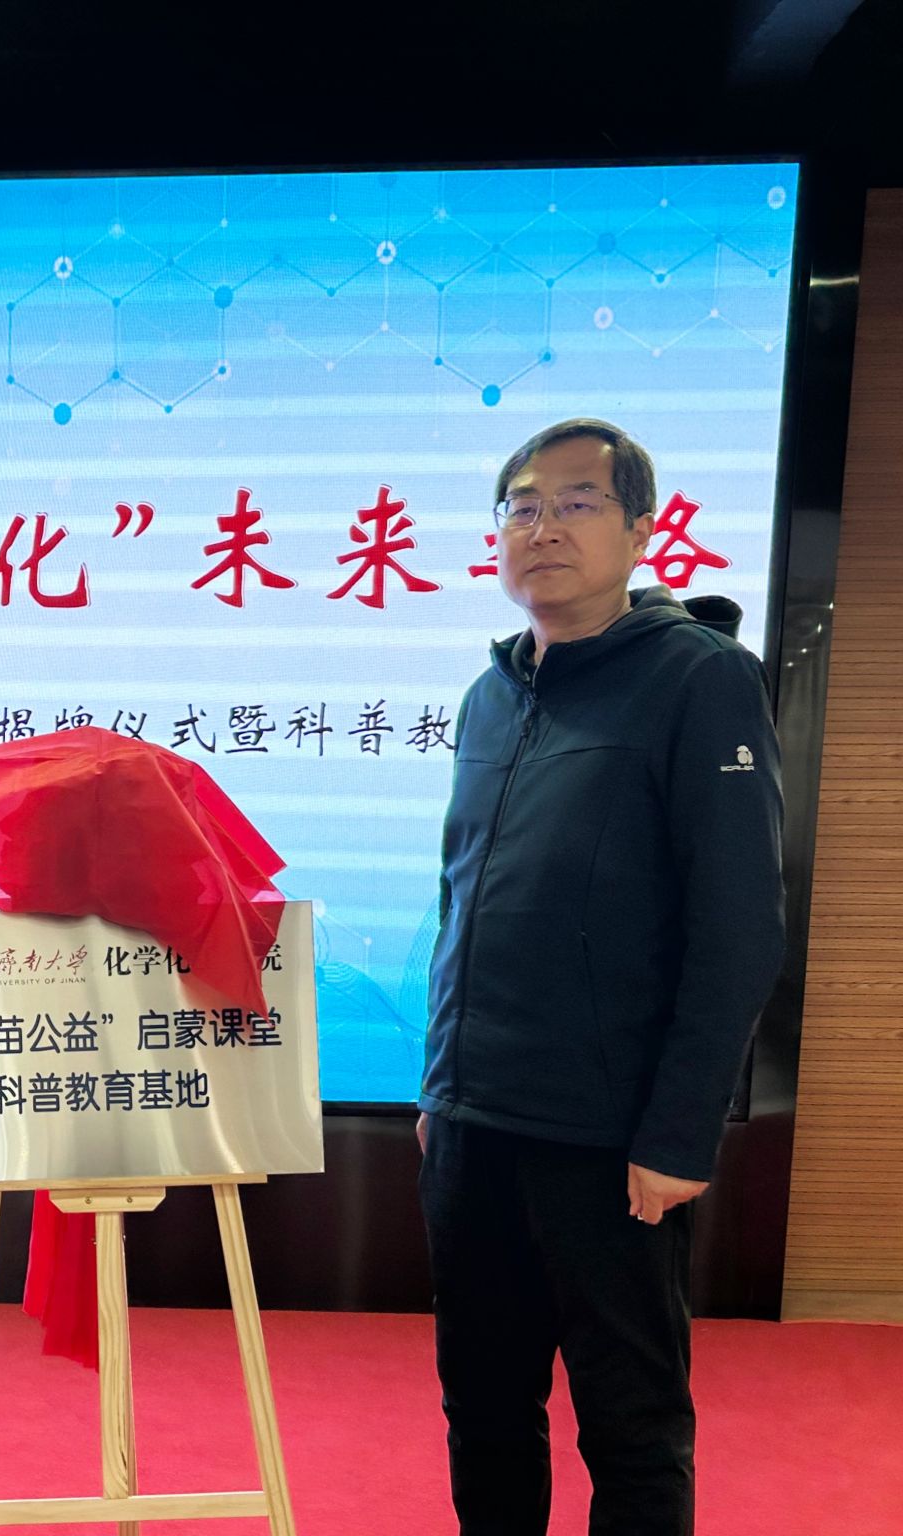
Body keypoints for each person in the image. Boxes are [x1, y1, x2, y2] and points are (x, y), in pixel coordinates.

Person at [418, 419, 785, 1535]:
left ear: (638, 530)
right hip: (473, 1123)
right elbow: (461, 898)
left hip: (608, 1139)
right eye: (522, 506)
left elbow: (738, 924)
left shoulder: (699, 679)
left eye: (577, 503)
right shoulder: (490, 694)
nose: (543, 528)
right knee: (484, 1408)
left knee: (629, 1427)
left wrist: (680, 1131)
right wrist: (438, 1088)